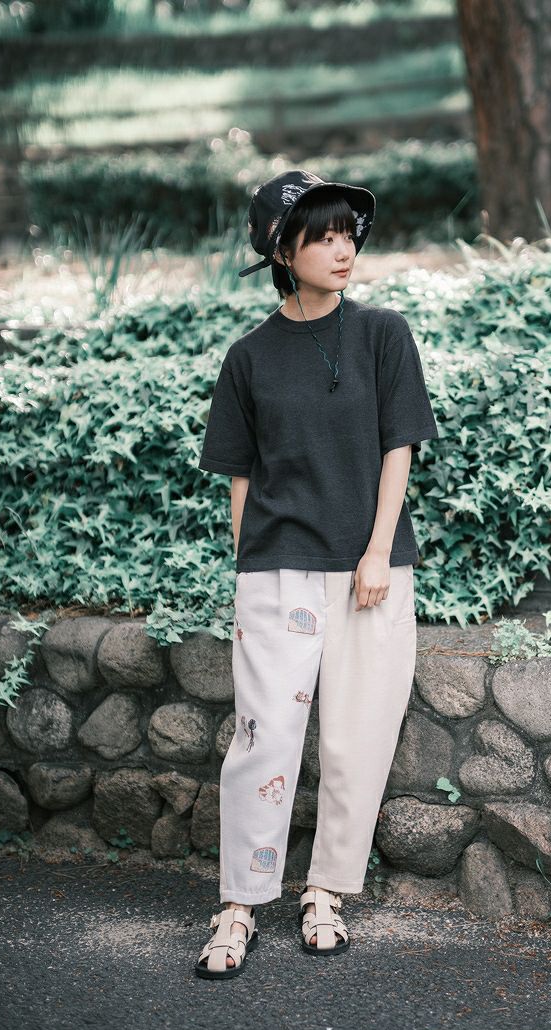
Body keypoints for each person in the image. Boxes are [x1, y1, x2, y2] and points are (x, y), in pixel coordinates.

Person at [194, 170, 440, 979]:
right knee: (262, 740)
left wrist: (377, 550)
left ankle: (325, 892)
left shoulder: (383, 334)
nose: (343, 250)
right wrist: (252, 570)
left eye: (347, 235)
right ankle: (239, 905)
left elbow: (398, 447)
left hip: (372, 571)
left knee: (355, 741)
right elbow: (240, 477)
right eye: (323, 237)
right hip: (277, 572)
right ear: (281, 251)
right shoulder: (249, 358)